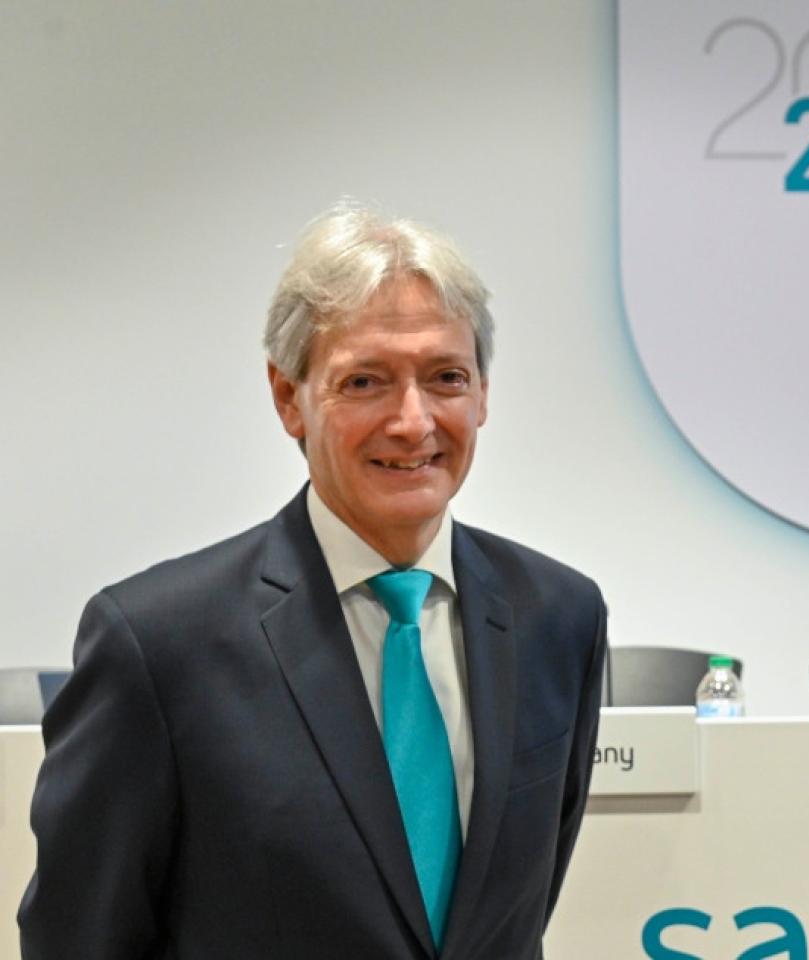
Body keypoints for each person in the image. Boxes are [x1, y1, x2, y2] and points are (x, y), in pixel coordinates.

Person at [19, 204, 608, 959]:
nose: (413, 422)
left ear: (483, 393)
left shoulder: (559, 617)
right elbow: (77, 939)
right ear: (287, 397)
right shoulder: (158, 646)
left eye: (446, 378)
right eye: (364, 381)